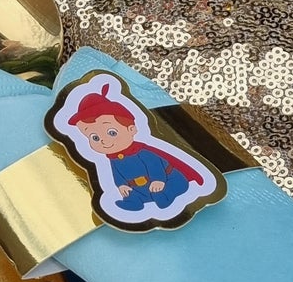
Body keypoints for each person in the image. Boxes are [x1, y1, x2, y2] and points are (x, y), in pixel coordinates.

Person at [68, 87, 206, 212]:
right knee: (135, 194)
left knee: (177, 185)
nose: (103, 140)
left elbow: (156, 166)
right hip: (143, 187)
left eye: (112, 132)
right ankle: (134, 202)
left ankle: (165, 196)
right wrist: (121, 185)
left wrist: (159, 180)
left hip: (168, 178)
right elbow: (116, 174)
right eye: (95, 138)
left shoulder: (142, 151)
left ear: (131, 129)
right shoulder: (113, 159)